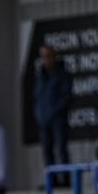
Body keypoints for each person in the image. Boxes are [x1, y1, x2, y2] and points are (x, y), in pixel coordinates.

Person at [34, 44, 73, 185]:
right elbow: (37, 97)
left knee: (61, 149)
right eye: (43, 56)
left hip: (58, 119)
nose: (46, 59)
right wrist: (39, 114)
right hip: (44, 120)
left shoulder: (63, 75)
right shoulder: (40, 76)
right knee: (47, 151)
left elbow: (66, 97)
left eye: (48, 56)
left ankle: (66, 179)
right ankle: (52, 179)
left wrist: (53, 112)